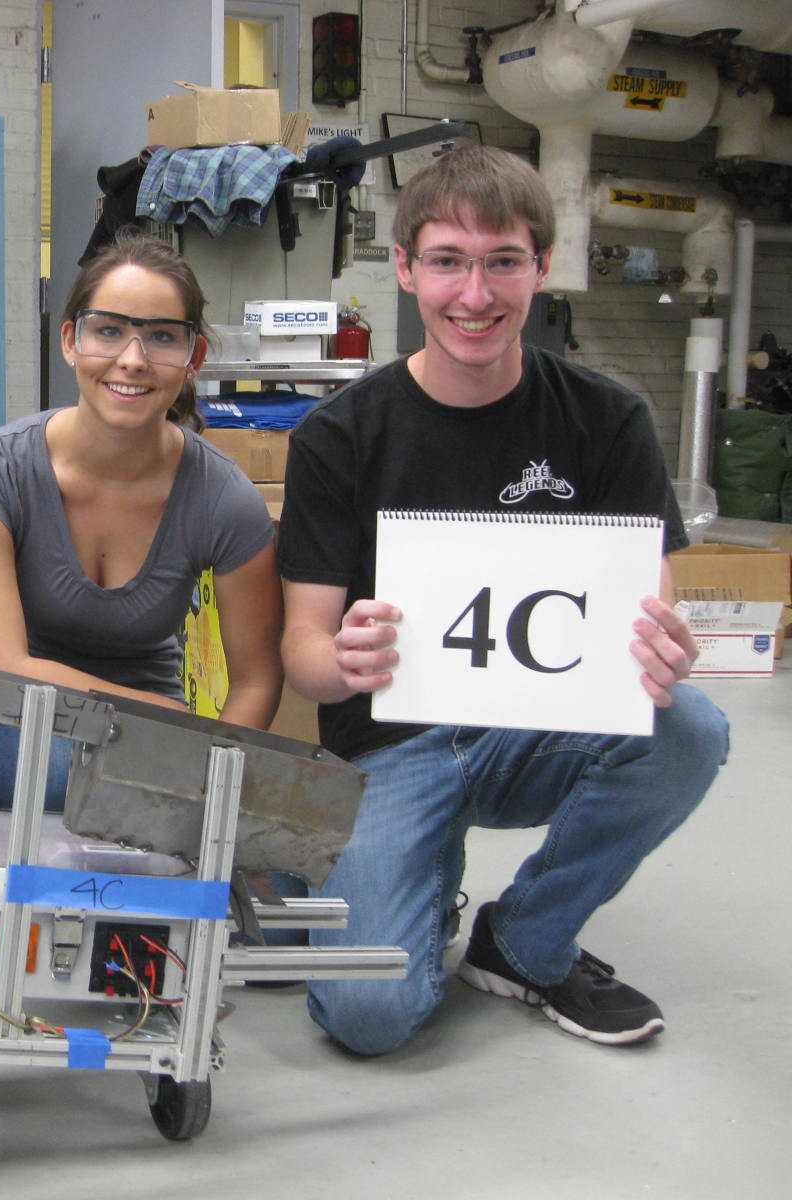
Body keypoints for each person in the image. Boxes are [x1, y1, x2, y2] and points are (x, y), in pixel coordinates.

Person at [278, 144, 729, 1054]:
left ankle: (524, 940)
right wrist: (342, 659)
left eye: (503, 262)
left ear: (542, 266)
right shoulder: (339, 436)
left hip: (537, 728)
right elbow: (304, 653)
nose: (475, 294)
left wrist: (662, 649)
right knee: (368, 1020)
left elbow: (646, 608)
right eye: (448, 261)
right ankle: (407, 876)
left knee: (688, 728)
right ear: (405, 267)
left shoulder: (607, 420)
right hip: (390, 746)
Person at [0, 230, 283, 811]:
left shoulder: (224, 498)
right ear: (70, 341)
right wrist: (165, 718)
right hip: (10, 714)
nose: (133, 360)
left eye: (162, 337)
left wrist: (216, 774)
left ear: (194, 358)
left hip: (152, 731)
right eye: (108, 331)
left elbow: (257, 678)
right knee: (58, 776)